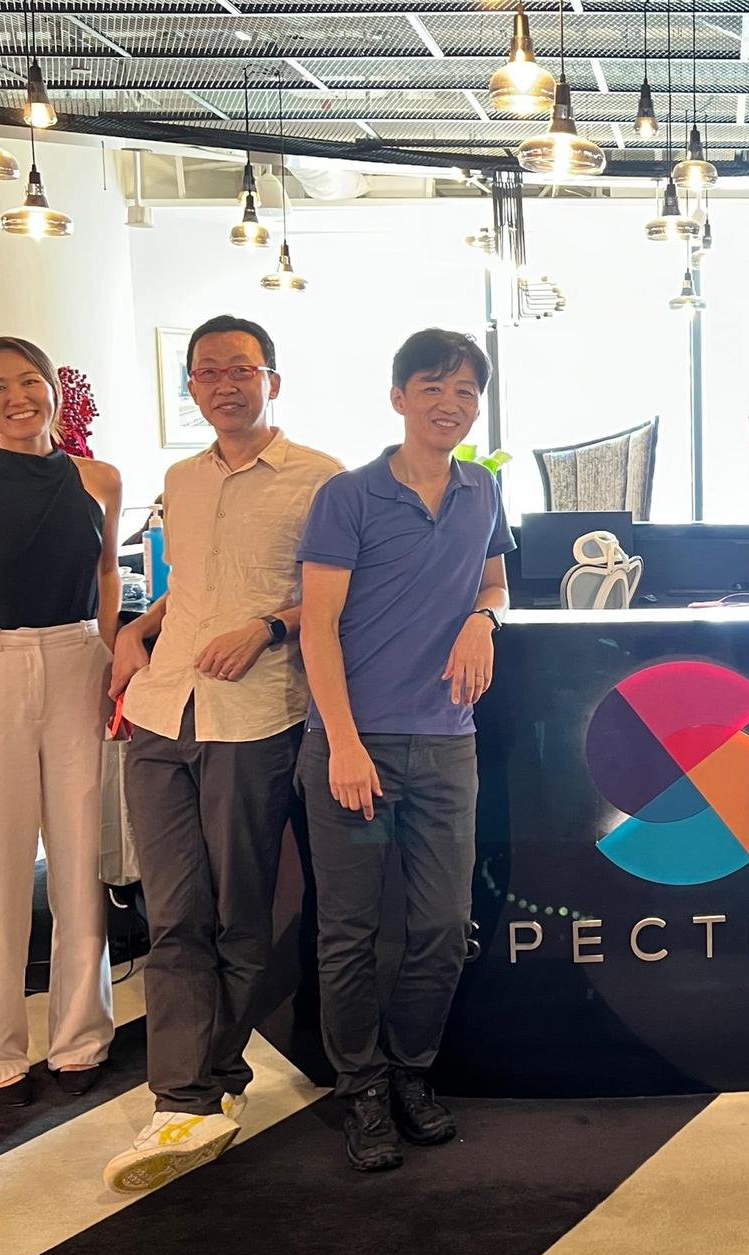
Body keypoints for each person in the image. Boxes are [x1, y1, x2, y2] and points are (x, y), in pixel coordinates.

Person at [100, 316, 343, 1193]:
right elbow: (189, 586)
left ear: (271, 378)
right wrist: (138, 628)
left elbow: (340, 598)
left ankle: (215, 1078)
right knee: (174, 912)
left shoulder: (322, 479)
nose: (224, 384)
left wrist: (268, 627)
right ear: (193, 387)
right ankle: (184, 1095)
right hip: (162, 711)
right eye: (207, 372)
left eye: (240, 368)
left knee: (239, 913)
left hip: (254, 714)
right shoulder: (182, 478)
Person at [297, 328, 512, 1173]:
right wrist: (344, 743)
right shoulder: (348, 496)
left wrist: (483, 618)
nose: (449, 404)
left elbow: (494, 580)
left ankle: (410, 1070)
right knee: (349, 932)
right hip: (354, 744)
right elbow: (317, 626)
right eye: (433, 387)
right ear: (399, 397)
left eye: (465, 392)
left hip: (447, 744)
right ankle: (360, 1087)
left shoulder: (481, 491)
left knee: (444, 925)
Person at [0, 336, 123, 1106]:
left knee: (79, 860)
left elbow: (107, 575)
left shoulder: (99, 479)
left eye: (30, 381)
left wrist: (111, 671)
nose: (17, 398)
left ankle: (80, 1039)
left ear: (53, 391)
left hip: (77, 660)